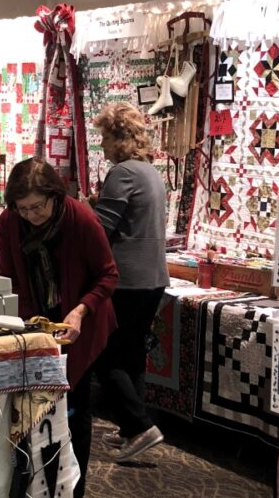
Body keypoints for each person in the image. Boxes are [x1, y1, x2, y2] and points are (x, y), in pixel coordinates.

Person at [0, 158, 117, 498]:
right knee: (34, 409)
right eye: (24, 209)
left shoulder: (80, 218)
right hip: (37, 322)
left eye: (38, 207)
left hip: (81, 321)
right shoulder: (9, 223)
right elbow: (10, 279)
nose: (32, 215)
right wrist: (30, 326)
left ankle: (72, 489)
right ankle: (36, 485)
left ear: (55, 196)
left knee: (75, 405)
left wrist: (79, 311)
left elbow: (108, 275)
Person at [91, 101, 169, 462]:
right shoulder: (150, 172)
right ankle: (129, 430)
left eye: (106, 138)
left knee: (105, 356)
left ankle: (140, 427)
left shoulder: (122, 173)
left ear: (120, 139)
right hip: (153, 278)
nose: (103, 146)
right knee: (132, 354)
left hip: (127, 280)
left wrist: (85, 211)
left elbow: (102, 230)